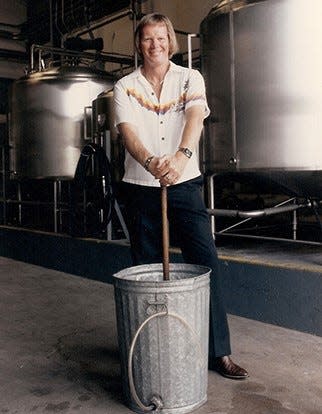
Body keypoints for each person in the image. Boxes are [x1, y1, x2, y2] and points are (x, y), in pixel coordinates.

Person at [113, 12, 248, 380]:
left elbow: (194, 118)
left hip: (185, 184)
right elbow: (128, 132)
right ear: (138, 44)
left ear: (170, 41)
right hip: (142, 185)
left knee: (206, 264)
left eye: (160, 38)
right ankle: (152, 350)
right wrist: (151, 160)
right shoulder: (124, 85)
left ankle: (218, 352)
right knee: (146, 270)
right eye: (146, 39)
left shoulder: (190, 77)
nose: (154, 45)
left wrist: (181, 157)